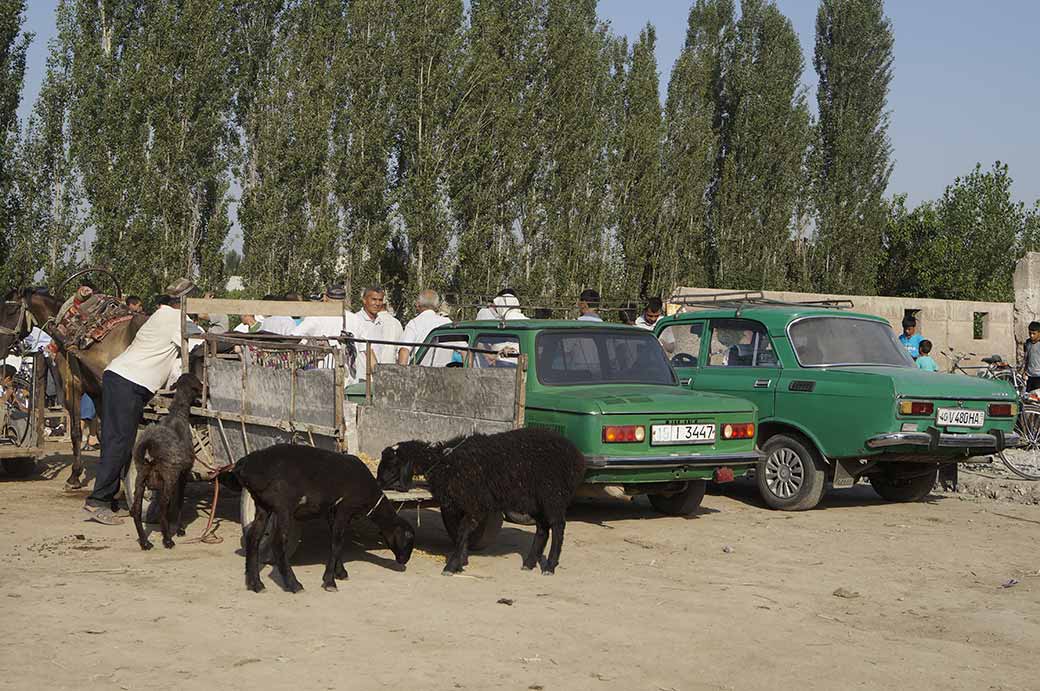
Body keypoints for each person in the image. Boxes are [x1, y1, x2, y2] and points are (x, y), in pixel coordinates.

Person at [82, 278, 195, 525]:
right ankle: (97, 501)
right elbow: (199, 343)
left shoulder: (162, 315)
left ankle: (108, 499)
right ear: (186, 301)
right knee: (119, 441)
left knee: (119, 439)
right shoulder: (175, 320)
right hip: (128, 383)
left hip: (121, 379)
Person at [346, 285, 403, 377]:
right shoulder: (355, 320)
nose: (377, 303)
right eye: (373, 299)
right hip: (361, 379)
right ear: (364, 300)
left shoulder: (381, 322)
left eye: (380, 300)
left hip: (378, 377)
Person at [398, 290, 451, 364]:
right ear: (437, 305)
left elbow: (404, 350)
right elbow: (464, 350)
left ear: (418, 304)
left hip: (421, 373)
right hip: (447, 373)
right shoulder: (447, 323)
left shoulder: (414, 323)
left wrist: (401, 374)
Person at [1024, 322, 1040, 392]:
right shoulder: (1027, 342)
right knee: (1029, 396)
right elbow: (1027, 358)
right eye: (1030, 333)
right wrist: (1024, 370)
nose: (1031, 335)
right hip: (1029, 375)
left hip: (1039, 376)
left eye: (1034, 334)